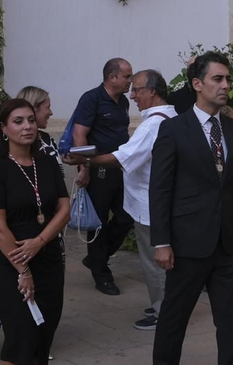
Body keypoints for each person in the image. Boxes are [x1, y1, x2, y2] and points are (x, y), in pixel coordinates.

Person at [148, 51, 233, 365]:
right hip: (186, 243)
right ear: (197, 84)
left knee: (231, 322)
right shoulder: (174, 129)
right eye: (218, 79)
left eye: (227, 79)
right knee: (174, 315)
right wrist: (162, 241)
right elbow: (160, 189)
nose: (225, 85)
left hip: (228, 244)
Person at [0, 98, 70, 365]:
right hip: (8, 263)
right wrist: (23, 267)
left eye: (31, 120)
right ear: (4, 129)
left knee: (43, 339)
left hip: (47, 260)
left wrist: (41, 240)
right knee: (22, 338)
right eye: (17, 121)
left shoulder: (46, 164)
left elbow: (64, 206)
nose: (27, 126)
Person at [73, 71, 176, 331]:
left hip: (148, 206)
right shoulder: (171, 116)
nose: (133, 95)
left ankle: (163, 311)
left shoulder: (153, 125)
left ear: (152, 91)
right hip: (157, 202)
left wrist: (84, 159)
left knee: (155, 262)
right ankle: (165, 304)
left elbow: (122, 158)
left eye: (138, 89)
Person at [72, 58, 136, 295]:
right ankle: (102, 276)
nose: (130, 81)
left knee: (126, 215)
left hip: (119, 168)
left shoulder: (123, 102)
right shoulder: (92, 99)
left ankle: (97, 257)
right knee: (97, 222)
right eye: (127, 76)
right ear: (112, 78)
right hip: (97, 170)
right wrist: (84, 168)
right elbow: (80, 134)